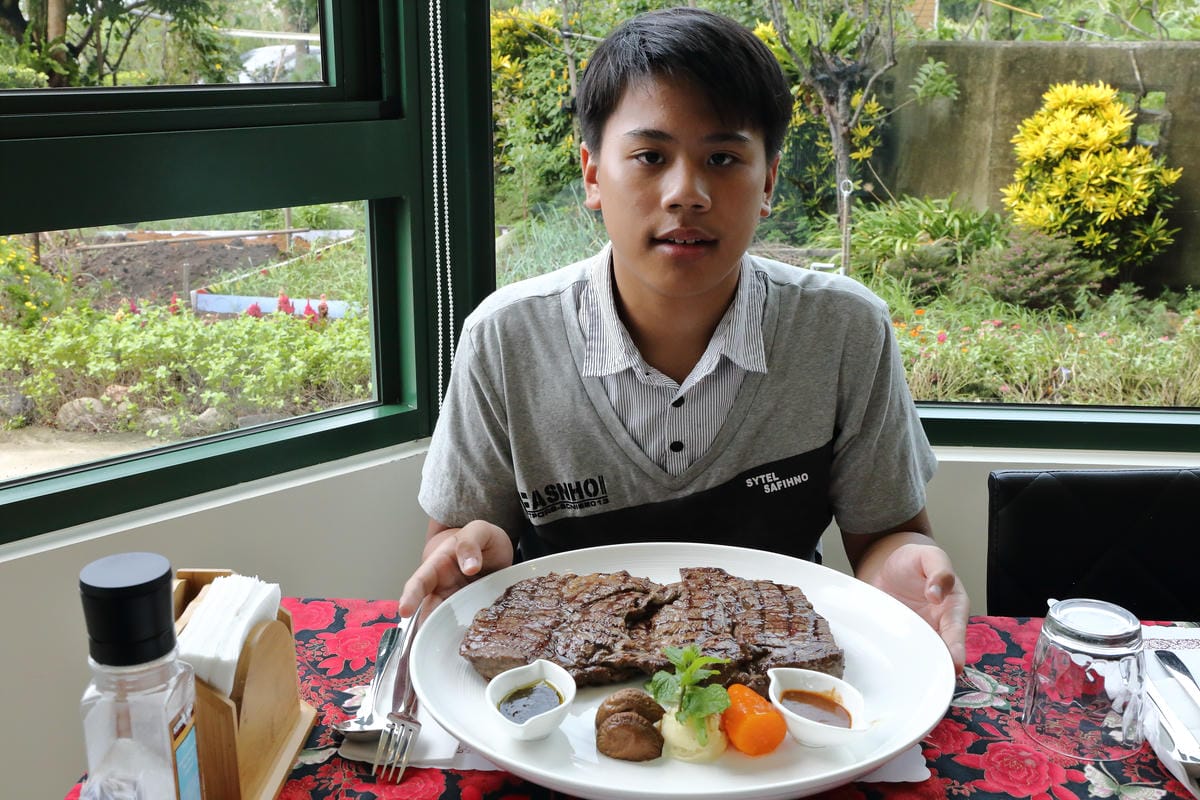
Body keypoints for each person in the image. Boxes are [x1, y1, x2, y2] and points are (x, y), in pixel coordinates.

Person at [400, 7, 968, 671]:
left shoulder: (844, 331)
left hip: (771, 702)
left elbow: (885, 536)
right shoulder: (506, 339)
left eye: (723, 158)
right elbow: (461, 544)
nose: (686, 193)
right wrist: (471, 560)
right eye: (650, 156)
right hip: (561, 702)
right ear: (591, 174)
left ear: (769, 182)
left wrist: (900, 572)